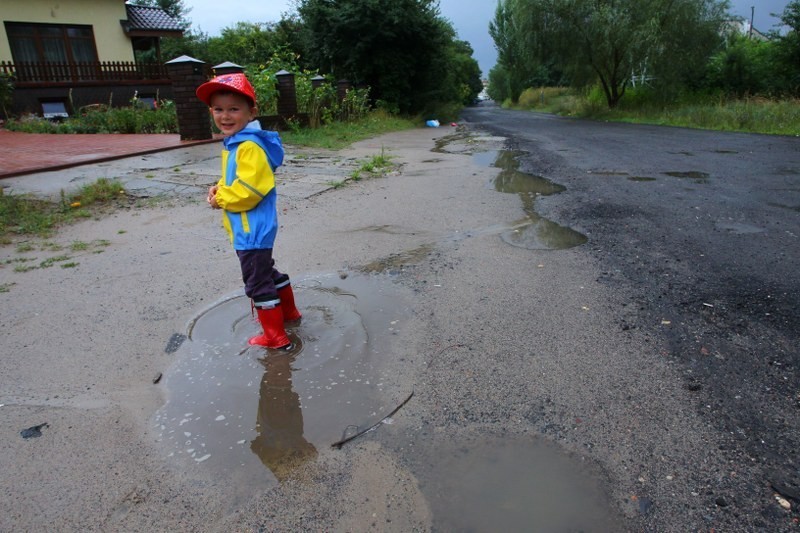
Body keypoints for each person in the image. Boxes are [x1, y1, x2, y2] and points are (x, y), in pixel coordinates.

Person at [196, 72, 301, 350]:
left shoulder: (248, 147)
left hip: (250, 228)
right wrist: (219, 188)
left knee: (257, 284)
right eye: (219, 109)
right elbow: (236, 180)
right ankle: (288, 314)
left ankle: (275, 337)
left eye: (234, 109)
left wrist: (223, 199)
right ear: (211, 111)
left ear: (251, 111)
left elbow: (250, 191)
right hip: (251, 226)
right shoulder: (237, 144)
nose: (225, 116)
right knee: (266, 272)